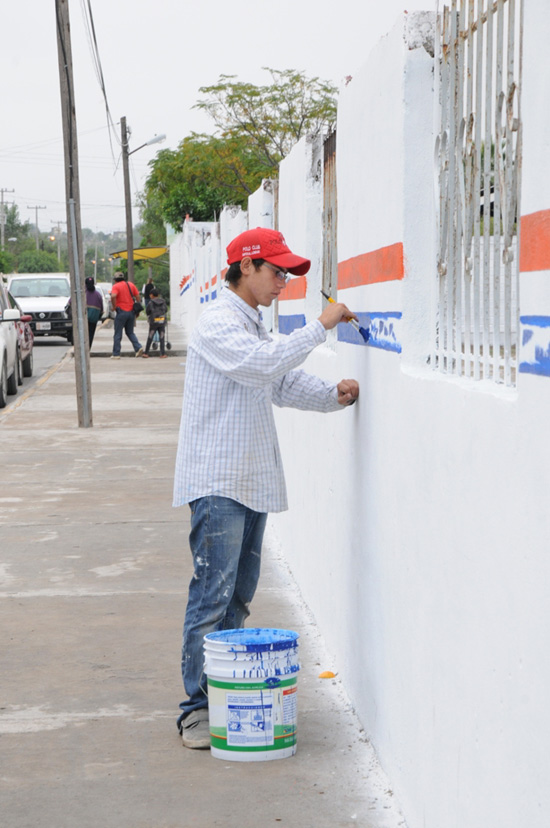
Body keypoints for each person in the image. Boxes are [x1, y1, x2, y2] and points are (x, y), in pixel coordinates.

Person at [173, 227, 360, 749]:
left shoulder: (252, 324)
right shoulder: (217, 323)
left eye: (286, 273)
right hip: (218, 481)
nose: (283, 281)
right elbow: (263, 365)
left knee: (237, 600)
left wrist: (333, 395)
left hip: (248, 480)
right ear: (246, 268)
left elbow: (277, 381)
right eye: (276, 271)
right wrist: (320, 328)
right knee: (212, 597)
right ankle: (195, 708)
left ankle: (224, 701)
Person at [110, 272, 143, 359]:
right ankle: (138, 347)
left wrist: (114, 307)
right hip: (131, 312)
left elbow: (113, 296)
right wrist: (137, 307)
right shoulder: (130, 285)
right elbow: (137, 296)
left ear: (115, 280)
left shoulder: (116, 286)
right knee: (130, 332)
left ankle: (116, 354)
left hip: (121, 312)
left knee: (117, 333)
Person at [142, 288, 168, 358]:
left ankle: (146, 353)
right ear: (158, 295)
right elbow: (166, 309)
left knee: (150, 337)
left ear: (151, 295)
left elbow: (147, 311)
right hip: (162, 321)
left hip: (154, 322)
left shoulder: (151, 302)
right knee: (162, 337)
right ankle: (162, 354)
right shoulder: (163, 302)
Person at [84, 277, 104, 347]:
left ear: (85, 284)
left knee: (83, 334)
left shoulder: (83, 293)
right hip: (94, 319)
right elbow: (102, 309)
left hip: (84, 318)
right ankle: (88, 348)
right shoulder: (98, 295)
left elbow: (70, 302)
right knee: (91, 334)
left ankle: (84, 349)